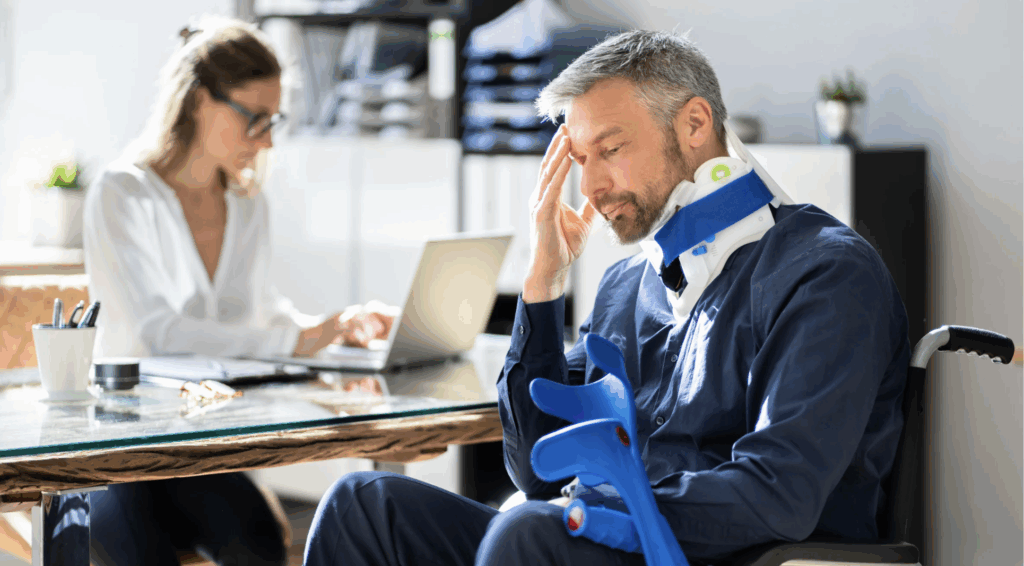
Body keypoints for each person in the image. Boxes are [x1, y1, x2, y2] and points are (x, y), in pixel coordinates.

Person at [302, 29, 910, 566]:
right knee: (363, 504)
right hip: (591, 539)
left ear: (695, 125)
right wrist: (543, 288)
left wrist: (602, 515)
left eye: (612, 150)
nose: (590, 187)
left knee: (527, 535)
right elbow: (539, 471)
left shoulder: (825, 273)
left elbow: (779, 493)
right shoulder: (628, 286)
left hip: (734, 554)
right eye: (581, 158)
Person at [82, 16, 393, 566]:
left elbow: (256, 312)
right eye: (255, 118)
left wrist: (332, 327)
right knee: (137, 552)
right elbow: (161, 335)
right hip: (117, 449)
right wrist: (301, 339)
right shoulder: (122, 193)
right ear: (201, 100)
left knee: (259, 541)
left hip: (198, 448)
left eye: (274, 120)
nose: (268, 138)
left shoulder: (248, 204)